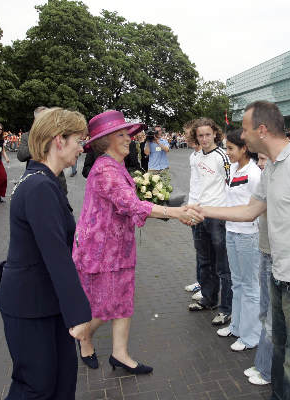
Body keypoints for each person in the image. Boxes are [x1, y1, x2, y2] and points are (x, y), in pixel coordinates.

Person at [188, 101, 290, 400]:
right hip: (279, 273)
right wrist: (200, 210)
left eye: (246, 130)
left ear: (262, 130)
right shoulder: (272, 166)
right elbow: (249, 211)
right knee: (279, 352)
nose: (241, 136)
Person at [72, 110, 201, 374]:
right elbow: (130, 204)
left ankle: (119, 354)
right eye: (122, 135)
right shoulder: (105, 169)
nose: (129, 139)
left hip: (118, 247)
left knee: (122, 299)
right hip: (101, 250)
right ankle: (83, 334)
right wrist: (175, 212)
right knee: (106, 302)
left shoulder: (115, 165)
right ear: (106, 140)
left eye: (128, 134)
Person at [0, 108, 92, 399]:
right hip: (30, 304)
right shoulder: (40, 186)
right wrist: (79, 314)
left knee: (62, 379)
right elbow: (56, 255)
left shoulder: (40, 179)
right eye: (78, 140)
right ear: (58, 140)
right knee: (36, 386)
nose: (81, 147)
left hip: (44, 301)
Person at [215, 129, 262, 352]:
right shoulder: (234, 169)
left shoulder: (254, 174)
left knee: (251, 286)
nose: (228, 152)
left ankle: (251, 336)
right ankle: (237, 326)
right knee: (237, 282)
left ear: (244, 149)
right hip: (231, 231)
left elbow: (258, 208)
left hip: (248, 235)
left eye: (231, 148)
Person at [187, 118, 233, 328]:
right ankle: (208, 298)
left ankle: (226, 309)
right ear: (195, 137)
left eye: (208, 134)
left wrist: (227, 212)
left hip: (216, 216)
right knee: (204, 260)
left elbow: (231, 184)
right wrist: (190, 209)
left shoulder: (222, 156)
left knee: (222, 265)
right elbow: (194, 185)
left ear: (215, 134)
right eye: (200, 135)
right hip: (198, 214)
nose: (204, 139)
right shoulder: (195, 157)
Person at [243, 153, 273, 386]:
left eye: (263, 158)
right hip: (266, 250)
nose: (260, 164)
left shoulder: (287, 173)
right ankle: (263, 362)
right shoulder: (267, 177)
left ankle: (267, 369)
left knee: (272, 317)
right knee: (265, 312)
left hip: (277, 256)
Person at [18, 106, 68, 194]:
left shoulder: (57, 135)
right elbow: (21, 156)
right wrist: (40, 144)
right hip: (35, 183)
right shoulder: (27, 136)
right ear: (35, 120)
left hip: (57, 182)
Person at [183, 122, 202, 295]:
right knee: (199, 248)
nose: (185, 137)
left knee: (206, 251)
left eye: (188, 134)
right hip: (193, 206)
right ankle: (201, 281)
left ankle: (206, 286)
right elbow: (194, 184)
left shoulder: (207, 155)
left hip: (204, 209)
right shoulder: (193, 155)